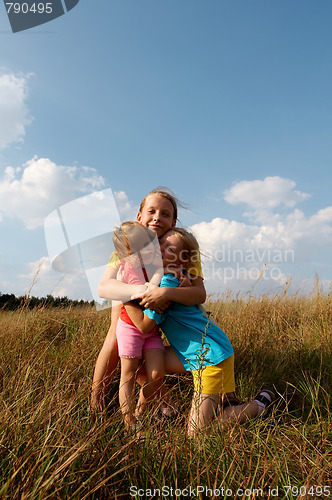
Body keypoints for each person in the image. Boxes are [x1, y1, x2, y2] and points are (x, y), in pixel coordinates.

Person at [124, 228, 277, 437]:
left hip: (210, 357)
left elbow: (145, 325)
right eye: (159, 244)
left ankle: (262, 403)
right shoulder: (167, 279)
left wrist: (123, 296)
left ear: (183, 262)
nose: (159, 249)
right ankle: (169, 408)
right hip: (194, 353)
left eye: (168, 248)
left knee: (197, 435)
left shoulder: (168, 283)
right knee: (143, 362)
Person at [90, 189, 206, 412]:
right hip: (133, 293)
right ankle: (96, 403)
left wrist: (167, 291)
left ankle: (154, 402)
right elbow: (104, 286)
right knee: (116, 335)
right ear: (139, 216)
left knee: (150, 348)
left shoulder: (181, 246)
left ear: (173, 221)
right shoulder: (130, 243)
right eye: (151, 211)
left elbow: (199, 293)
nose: (157, 217)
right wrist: (143, 290)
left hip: (167, 299)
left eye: (165, 214)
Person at [111, 222, 165, 432]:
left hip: (151, 329)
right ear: (128, 255)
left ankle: (140, 412)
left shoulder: (153, 264)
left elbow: (159, 274)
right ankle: (129, 423)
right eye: (140, 248)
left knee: (156, 374)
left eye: (149, 243)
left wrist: (155, 281)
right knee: (128, 374)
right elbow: (142, 295)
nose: (149, 249)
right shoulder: (128, 268)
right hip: (130, 326)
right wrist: (152, 288)